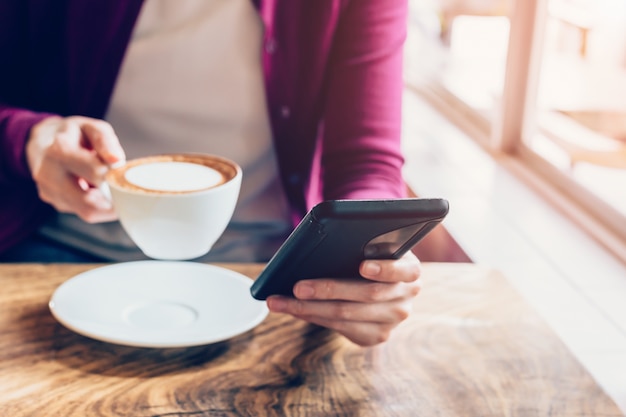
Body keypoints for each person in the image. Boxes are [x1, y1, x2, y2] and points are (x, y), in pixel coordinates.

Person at [0, 0, 421, 346]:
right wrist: (28, 138)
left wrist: (367, 252)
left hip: (266, 275)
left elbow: (367, 160)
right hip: (56, 259)